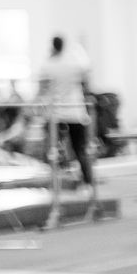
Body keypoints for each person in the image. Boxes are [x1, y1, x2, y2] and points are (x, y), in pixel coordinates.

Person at [36, 36, 95, 188]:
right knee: (79, 148)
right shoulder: (74, 63)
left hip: (58, 113)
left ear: (52, 46)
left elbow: (42, 89)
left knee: (53, 149)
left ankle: (56, 181)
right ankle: (87, 182)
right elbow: (86, 79)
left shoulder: (48, 64)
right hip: (74, 112)